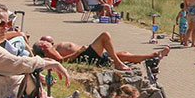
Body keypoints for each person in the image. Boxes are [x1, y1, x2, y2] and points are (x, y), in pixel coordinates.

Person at [33, 33, 170, 71]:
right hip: (82, 57)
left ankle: (154, 56)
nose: (45, 42)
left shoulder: (52, 48)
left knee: (123, 54)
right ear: (43, 47)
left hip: (85, 55)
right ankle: (117, 64)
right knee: (105, 36)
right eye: (43, 42)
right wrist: (78, 52)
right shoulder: (50, 53)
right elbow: (61, 62)